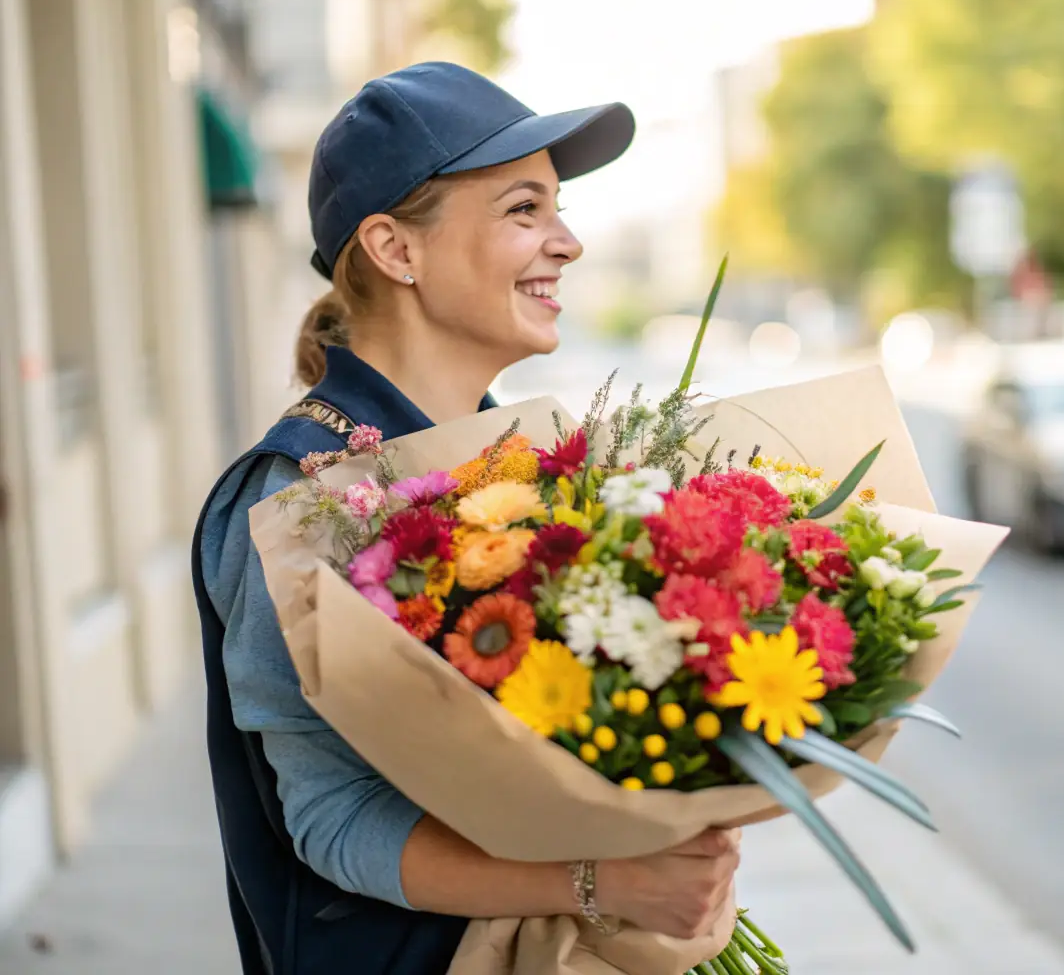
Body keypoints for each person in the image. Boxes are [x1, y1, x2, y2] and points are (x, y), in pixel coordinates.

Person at [191, 62, 740, 975]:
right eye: (524, 209)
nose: (566, 242)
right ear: (395, 250)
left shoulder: (513, 463)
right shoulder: (298, 494)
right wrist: (601, 881)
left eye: (556, 208)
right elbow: (330, 820)